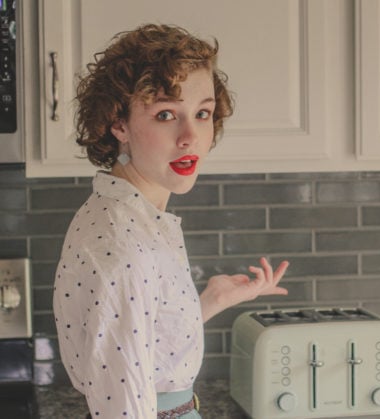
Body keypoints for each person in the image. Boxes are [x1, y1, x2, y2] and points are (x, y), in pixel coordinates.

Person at [52, 23, 289, 418]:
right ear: (118, 123)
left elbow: (147, 344)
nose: (190, 136)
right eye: (165, 114)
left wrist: (210, 301)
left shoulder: (130, 215)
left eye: (202, 113)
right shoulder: (122, 247)